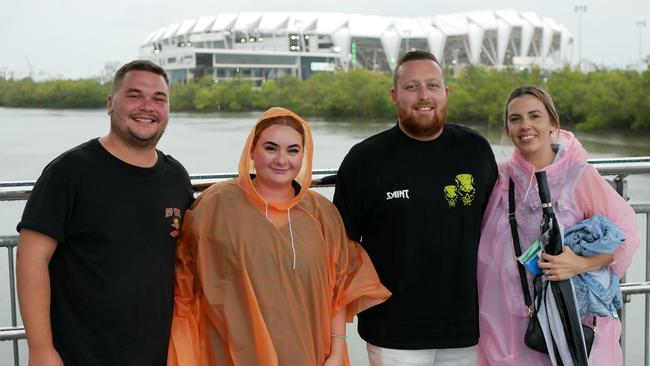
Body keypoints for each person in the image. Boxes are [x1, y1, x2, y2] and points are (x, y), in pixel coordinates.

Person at [167, 107, 390, 366]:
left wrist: (337, 348)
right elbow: (185, 287)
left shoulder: (322, 214)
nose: (281, 160)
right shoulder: (214, 207)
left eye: (293, 150)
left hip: (310, 352)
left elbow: (339, 289)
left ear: (303, 156)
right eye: (271, 148)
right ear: (252, 151)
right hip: (233, 353)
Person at [16, 60, 194, 366]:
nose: (147, 107)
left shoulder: (176, 177)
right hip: (80, 354)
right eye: (135, 95)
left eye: (159, 99)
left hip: (159, 354)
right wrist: (41, 349)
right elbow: (32, 258)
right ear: (110, 104)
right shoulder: (68, 173)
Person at [333, 50, 498, 365]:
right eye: (412, 87)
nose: (424, 96)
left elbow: (500, 230)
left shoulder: (475, 149)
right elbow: (341, 252)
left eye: (432, 86)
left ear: (445, 93)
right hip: (393, 333)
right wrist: (336, 334)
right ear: (395, 96)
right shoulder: (365, 159)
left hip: (469, 330)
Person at [476, 85, 640, 365]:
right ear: (507, 127)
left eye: (534, 116)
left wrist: (579, 263)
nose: (525, 125)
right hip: (510, 323)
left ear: (553, 123)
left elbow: (624, 236)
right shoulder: (502, 178)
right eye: (515, 119)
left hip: (568, 317)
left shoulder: (579, 175)